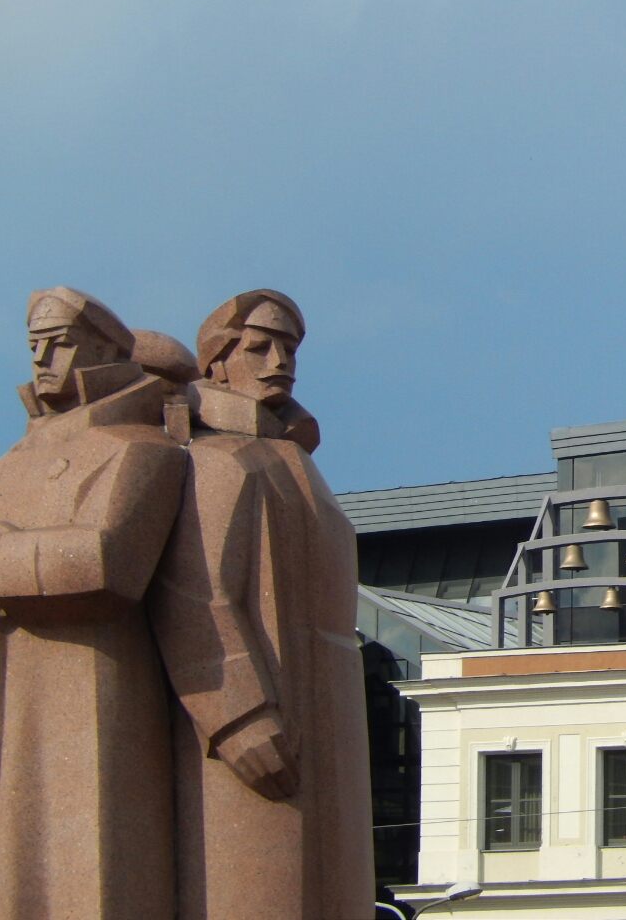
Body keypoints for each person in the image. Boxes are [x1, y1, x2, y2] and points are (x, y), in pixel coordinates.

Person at [148, 289, 373, 919]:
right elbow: (196, 591)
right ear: (217, 361)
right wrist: (239, 715)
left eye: (290, 347)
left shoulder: (290, 457)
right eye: (260, 346)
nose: (281, 360)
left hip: (325, 710)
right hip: (261, 716)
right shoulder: (217, 457)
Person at [0, 287, 186, 918]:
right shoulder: (13, 461)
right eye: (33, 345)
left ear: (106, 349)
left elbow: (107, 564)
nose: (42, 358)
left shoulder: (141, 448)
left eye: (60, 342)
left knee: (96, 862)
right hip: (17, 679)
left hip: (99, 682)